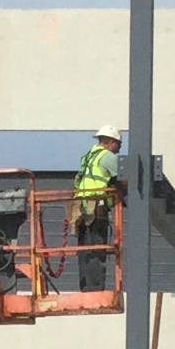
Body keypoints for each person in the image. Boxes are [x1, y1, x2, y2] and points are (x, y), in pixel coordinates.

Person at [72, 122, 121, 289]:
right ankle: (95, 289)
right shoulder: (108, 157)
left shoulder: (90, 155)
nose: (119, 148)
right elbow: (123, 179)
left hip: (82, 208)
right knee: (97, 249)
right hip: (96, 209)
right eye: (118, 144)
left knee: (85, 250)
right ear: (110, 142)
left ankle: (86, 288)